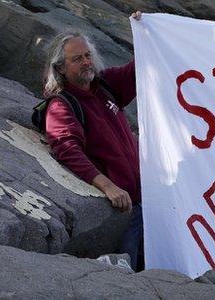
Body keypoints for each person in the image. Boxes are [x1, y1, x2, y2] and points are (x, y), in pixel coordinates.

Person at [42, 12, 146, 271]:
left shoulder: (105, 84)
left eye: (87, 55)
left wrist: (145, 30)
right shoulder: (62, 105)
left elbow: (143, 66)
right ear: (61, 69)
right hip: (122, 213)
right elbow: (67, 149)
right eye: (77, 59)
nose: (86, 62)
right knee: (131, 278)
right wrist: (108, 186)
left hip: (148, 202)